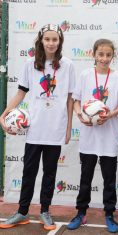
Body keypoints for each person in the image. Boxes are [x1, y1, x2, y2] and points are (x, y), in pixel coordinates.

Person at [0, 24, 75, 231]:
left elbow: (70, 99)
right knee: (29, 171)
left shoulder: (67, 65)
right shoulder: (30, 64)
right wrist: (5, 113)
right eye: (47, 39)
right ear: (41, 41)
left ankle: (45, 211)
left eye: (55, 39)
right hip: (35, 128)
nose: (51, 43)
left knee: (50, 173)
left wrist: (69, 127)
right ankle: (22, 212)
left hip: (56, 129)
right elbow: (21, 93)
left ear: (60, 42)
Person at [66, 39, 118, 233]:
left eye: (108, 55)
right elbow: (76, 100)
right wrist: (80, 115)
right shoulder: (85, 75)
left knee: (109, 179)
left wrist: (110, 115)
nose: (104, 58)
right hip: (89, 136)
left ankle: (109, 215)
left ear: (112, 56)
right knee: (85, 178)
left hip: (109, 135)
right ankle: (80, 213)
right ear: (94, 55)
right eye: (101, 54)